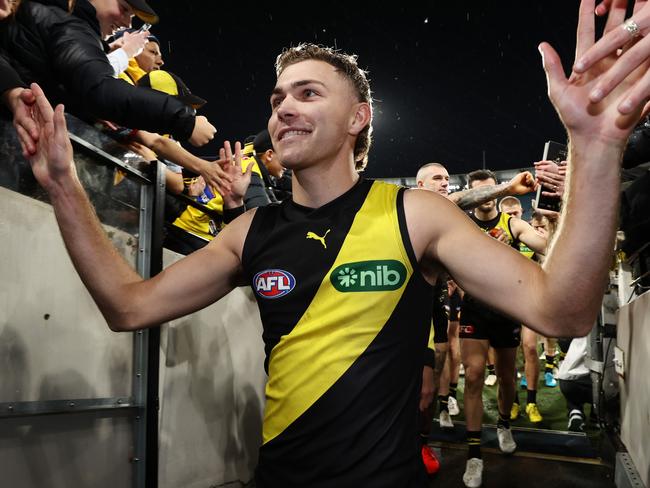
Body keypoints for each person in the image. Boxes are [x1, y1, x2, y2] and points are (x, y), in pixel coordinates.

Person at [20, 4, 645, 483]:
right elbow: (127, 307)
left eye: (308, 93)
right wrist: (65, 186)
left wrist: (595, 148)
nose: (283, 108)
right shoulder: (251, 233)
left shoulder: (415, 214)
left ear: (358, 118)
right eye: (277, 98)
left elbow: (562, 310)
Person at [0, 0, 215, 148]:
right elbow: (99, 89)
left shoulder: (58, 19)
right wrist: (183, 119)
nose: (127, 23)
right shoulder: (67, 23)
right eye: (124, 8)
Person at [459, 169, 547, 486]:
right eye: (481, 191)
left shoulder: (511, 223)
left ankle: (504, 423)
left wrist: (551, 222)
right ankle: (473, 454)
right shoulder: (462, 223)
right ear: (472, 195)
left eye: (493, 189)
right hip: (474, 310)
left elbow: (543, 245)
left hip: (507, 310)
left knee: (508, 376)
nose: (489, 195)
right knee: (473, 374)